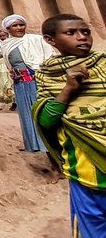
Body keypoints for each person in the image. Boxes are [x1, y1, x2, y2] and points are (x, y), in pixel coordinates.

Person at [33, 14, 106, 238]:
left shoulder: (103, 64)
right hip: (86, 171)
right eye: (71, 33)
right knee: (92, 230)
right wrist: (68, 89)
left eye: (85, 32)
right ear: (50, 40)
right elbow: (46, 120)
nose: (81, 37)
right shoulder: (47, 75)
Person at [0, 14, 53, 153]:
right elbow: (10, 64)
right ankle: (35, 144)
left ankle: (52, 151)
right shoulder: (6, 45)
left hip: (39, 83)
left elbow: (50, 57)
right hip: (21, 86)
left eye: (21, 24)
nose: (19, 28)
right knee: (28, 115)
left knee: (44, 115)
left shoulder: (37, 40)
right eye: (15, 25)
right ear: (8, 28)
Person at [0, 29, 15, 109]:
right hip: (2, 63)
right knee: (4, 81)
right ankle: (8, 100)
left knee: (12, 81)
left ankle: (15, 102)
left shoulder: (12, 43)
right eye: (0, 36)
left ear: (7, 35)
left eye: (4, 35)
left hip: (11, 62)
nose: (2, 37)